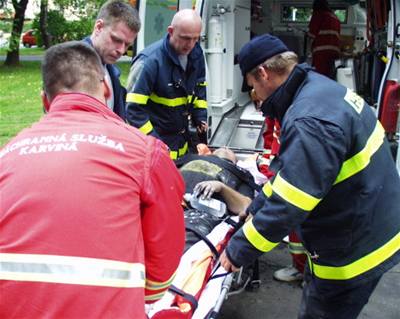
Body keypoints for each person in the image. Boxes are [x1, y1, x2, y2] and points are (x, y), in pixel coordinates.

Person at [220, 34, 400, 319]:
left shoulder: (309, 120)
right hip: (370, 219)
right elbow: (289, 177)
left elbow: (292, 201)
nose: (254, 93)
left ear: (264, 73)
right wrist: (255, 208)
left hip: (353, 250)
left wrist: (239, 249)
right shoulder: (318, 88)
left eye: (252, 84)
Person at [0, 41, 185, 319]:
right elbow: (162, 264)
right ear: (107, 89)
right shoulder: (144, 152)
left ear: (44, 101)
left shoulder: (7, 155)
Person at [126, 9, 208, 160]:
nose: (190, 45)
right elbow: (133, 110)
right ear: (171, 31)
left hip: (182, 142)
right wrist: (155, 143)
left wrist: (200, 116)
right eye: (185, 38)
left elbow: (199, 86)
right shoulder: (149, 61)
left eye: (195, 39)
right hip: (156, 147)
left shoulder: (196, 54)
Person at [177, 147, 254, 251]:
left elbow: (245, 207)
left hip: (198, 219)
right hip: (167, 205)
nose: (225, 147)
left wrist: (222, 187)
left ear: (235, 162)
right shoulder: (187, 159)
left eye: (230, 150)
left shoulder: (240, 174)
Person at [84, 0, 140, 120]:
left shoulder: (109, 68)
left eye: (127, 45)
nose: (121, 50)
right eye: (116, 40)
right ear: (99, 27)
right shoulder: (71, 65)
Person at [308, 0, 341, 79]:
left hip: (321, 52)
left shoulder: (318, 14)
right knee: (331, 76)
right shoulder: (335, 18)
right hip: (335, 52)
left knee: (319, 77)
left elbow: (311, 35)